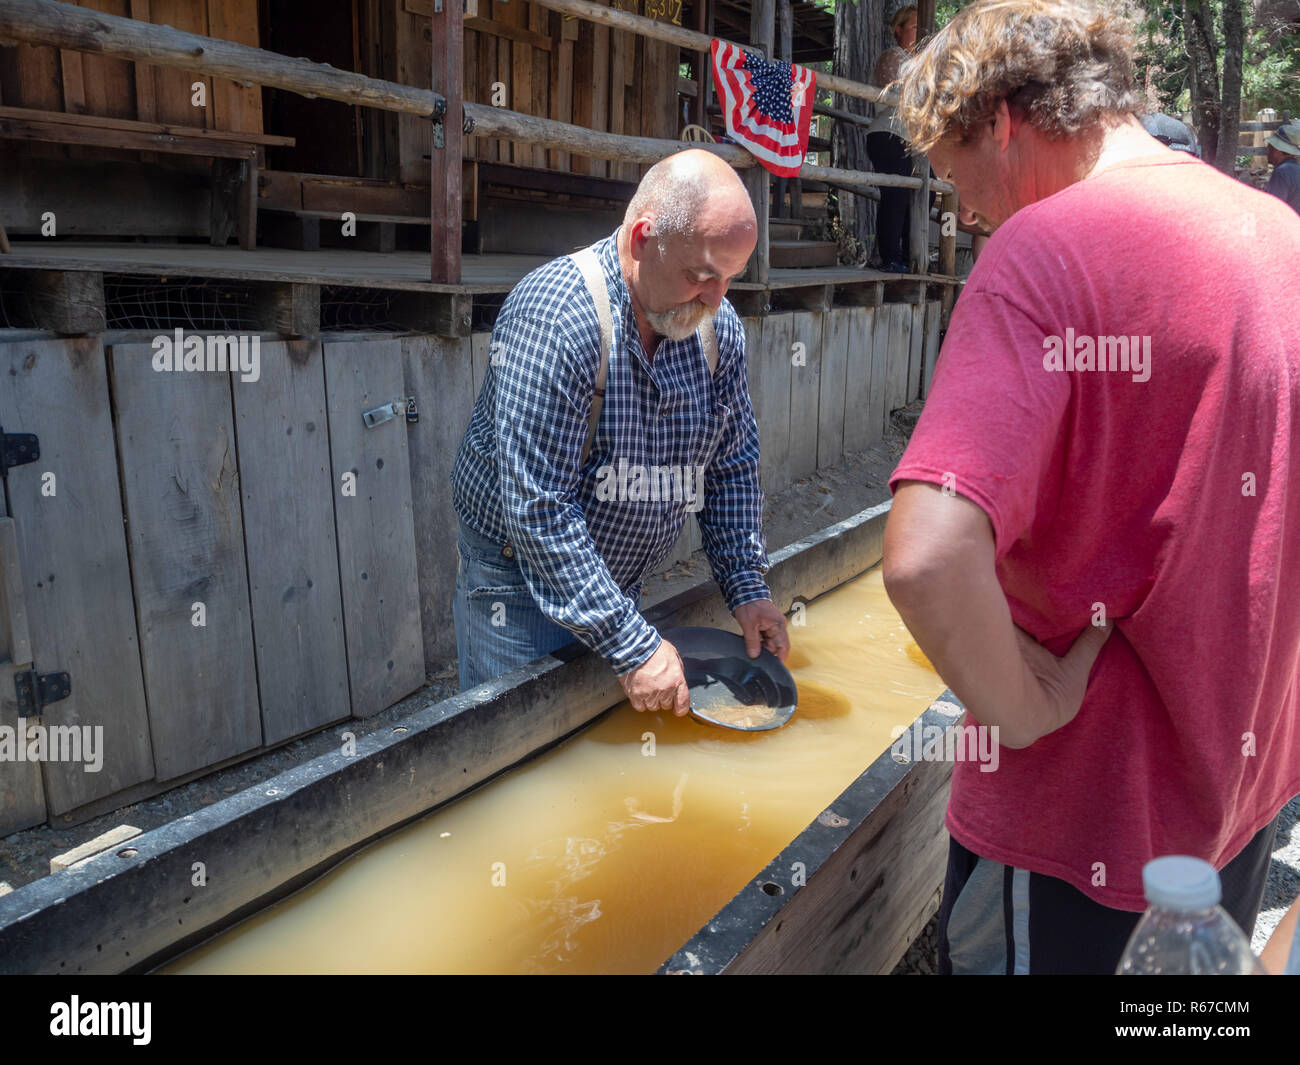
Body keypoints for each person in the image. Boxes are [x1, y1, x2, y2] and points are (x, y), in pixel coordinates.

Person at [881, 0, 1300, 974]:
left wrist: (1017, 710)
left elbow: (928, 553)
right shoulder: (1279, 237)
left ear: (1001, 122)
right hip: (1234, 806)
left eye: (957, 181)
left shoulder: (1046, 254)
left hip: (1073, 828)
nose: (969, 214)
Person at [449, 149, 790, 710]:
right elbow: (539, 508)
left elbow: (729, 468)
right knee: (520, 764)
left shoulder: (715, 329)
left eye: (730, 278)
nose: (716, 298)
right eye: (701, 276)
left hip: (615, 580)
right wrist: (632, 647)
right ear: (641, 239)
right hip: (516, 579)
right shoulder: (557, 317)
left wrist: (748, 588)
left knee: (596, 750)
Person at [867, 2, 920, 273]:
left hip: (915, 140)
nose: (920, 33)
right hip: (889, 133)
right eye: (913, 26)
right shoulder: (892, 56)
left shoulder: (921, 62)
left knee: (923, 195)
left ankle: (913, 255)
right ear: (898, 29)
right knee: (896, 194)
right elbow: (901, 95)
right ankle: (890, 258)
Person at [1264, 119, 1300, 214]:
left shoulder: (1281, 172)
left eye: (1270, 147)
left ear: (1277, 149)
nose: (1268, 151)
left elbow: (1273, 210)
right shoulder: (1296, 169)